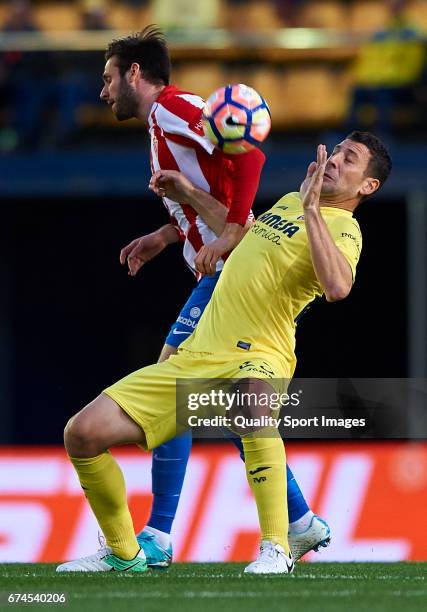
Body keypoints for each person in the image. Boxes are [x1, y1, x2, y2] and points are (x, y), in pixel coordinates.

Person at [57, 131, 392, 574]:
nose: (333, 161)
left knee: (251, 410)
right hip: (199, 354)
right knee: (81, 434)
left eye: (349, 160)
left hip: (261, 351)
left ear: (368, 186)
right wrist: (191, 196)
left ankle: (275, 548)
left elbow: (337, 287)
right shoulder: (292, 201)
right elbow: (244, 235)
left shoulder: (345, 229)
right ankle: (124, 553)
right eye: (335, 151)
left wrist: (313, 211)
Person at [97, 26, 327, 568]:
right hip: (219, 265)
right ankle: (298, 519)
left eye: (108, 78)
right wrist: (166, 234)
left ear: (135, 74)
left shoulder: (172, 108)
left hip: (228, 269)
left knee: (172, 389)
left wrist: (231, 233)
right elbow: (214, 189)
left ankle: (156, 535)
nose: (103, 91)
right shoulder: (165, 122)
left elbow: (250, 155)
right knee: (223, 405)